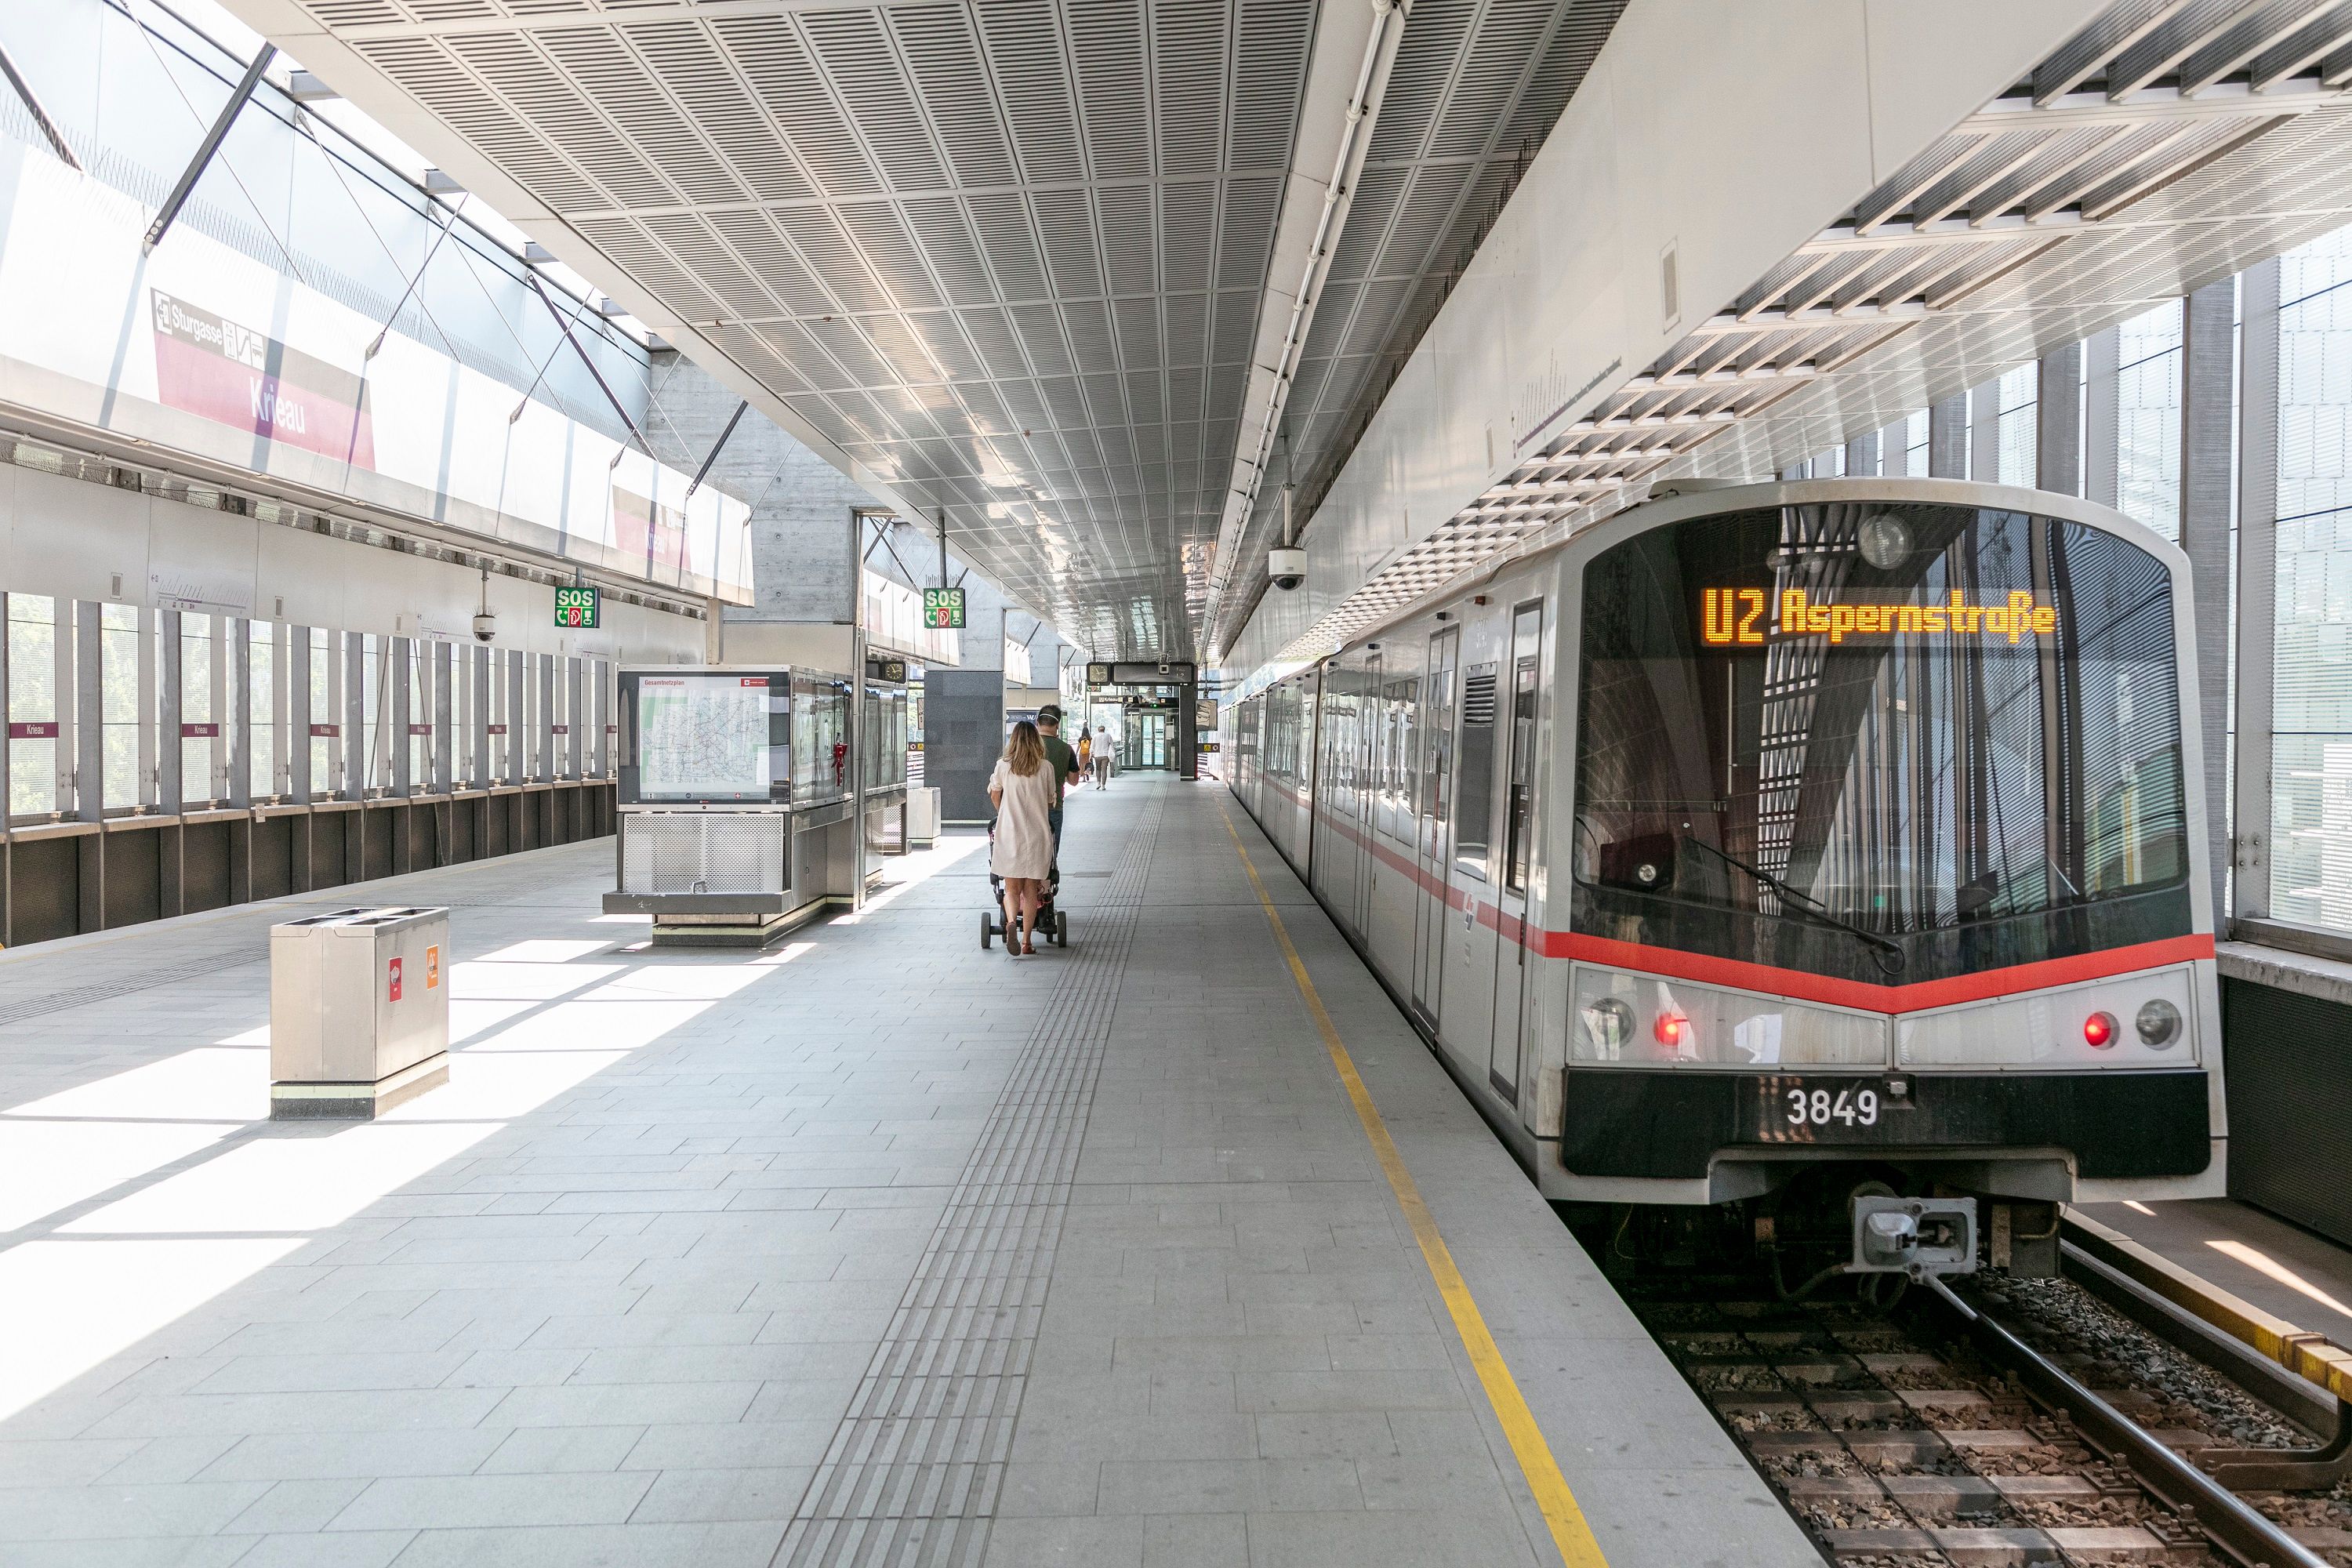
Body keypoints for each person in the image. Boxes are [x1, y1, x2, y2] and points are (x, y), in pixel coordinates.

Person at [988, 721, 1057, 956]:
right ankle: (1027, 942)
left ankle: (1010, 922)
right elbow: (1049, 801)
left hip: (1009, 832)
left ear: (1013, 741)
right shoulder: (1045, 767)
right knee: (1031, 891)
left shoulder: (1003, 766)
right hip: (1037, 834)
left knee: (1010, 889)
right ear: (1036, 742)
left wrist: (1003, 813)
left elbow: (995, 793)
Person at [1036, 706, 1080, 848]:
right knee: (1051, 853)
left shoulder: (1026, 746)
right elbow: (1074, 781)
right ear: (1057, 725)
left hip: (1027, 806)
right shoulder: (1066, 749)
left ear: (1038, 723)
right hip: (1054, 807)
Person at [1091, 725, 1113, 789]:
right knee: (1104, 770)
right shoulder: (1108, 735)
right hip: (1105, 755)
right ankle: (1103, 786)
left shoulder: (1095, 736)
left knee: (1098, 769)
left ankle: (1098, 783)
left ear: (1098, 730)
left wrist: (1091, 755)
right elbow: (1112, 744)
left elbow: (1092, 747)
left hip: (1097, 755)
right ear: (1104, 730)